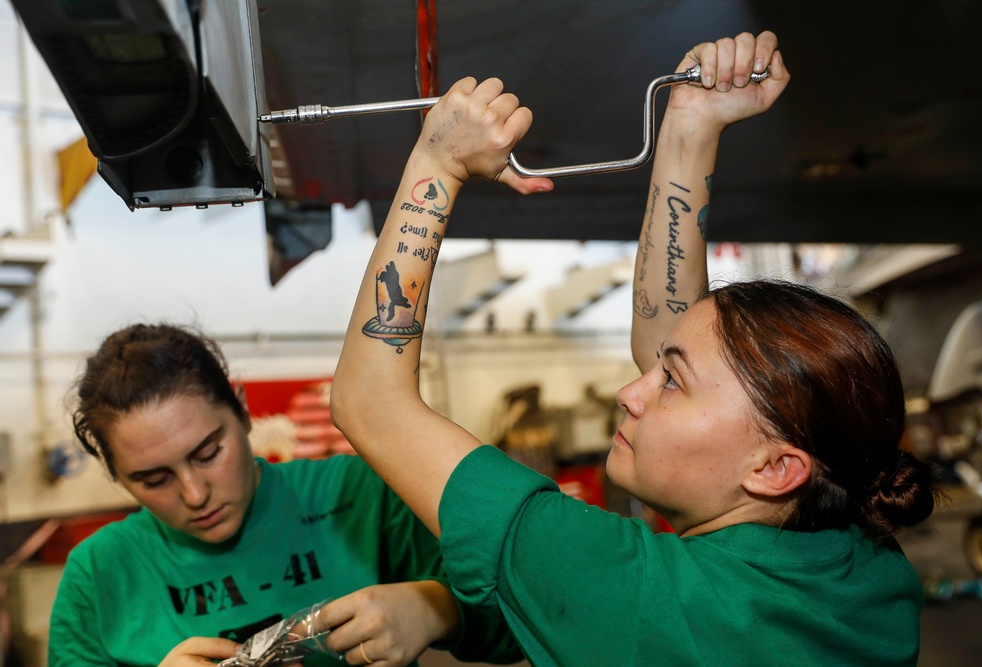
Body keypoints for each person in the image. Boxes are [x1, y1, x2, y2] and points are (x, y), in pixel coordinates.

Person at [328, 30, 937, 666]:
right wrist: (690, 126)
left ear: (775, 470)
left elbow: (371, 402)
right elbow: (684, 346)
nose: (630, 390)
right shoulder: (867, 568)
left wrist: (438, 164)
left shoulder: (643, 592)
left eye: (671, 383)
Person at [51, 323, 523, 667]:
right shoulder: (98, 575)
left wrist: (438, 608)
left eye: (209, 453)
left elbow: (530, 627)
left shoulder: (357, 494)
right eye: (154, 481)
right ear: (116, 475)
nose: (195, 494)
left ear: (241, 409)